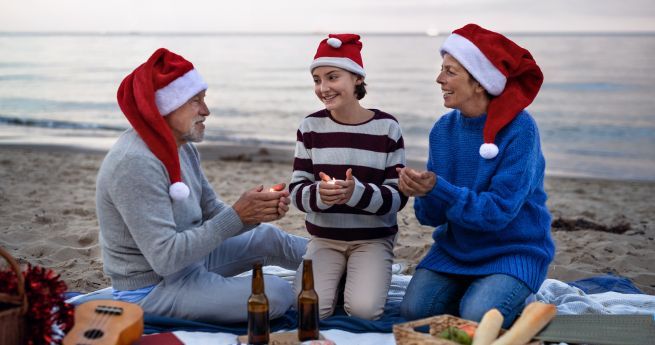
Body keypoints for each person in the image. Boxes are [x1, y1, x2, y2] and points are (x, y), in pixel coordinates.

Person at [96, 48, 308, 324]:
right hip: (153, 288)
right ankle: (322, 288)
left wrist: (257, 213)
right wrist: (238, 215)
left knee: (270, 236)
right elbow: (165, 259)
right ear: (165, 106)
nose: (206, 111)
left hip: (192, 260)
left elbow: (212, 211)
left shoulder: (182, 146)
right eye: (195, 101)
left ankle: (336, 267)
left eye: (203, 99)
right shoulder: (134, 164)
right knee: (276, 293)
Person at [398, 24, 555, 328]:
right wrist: (422, 192)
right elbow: (430, 218)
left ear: (480, 82)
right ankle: (481, 290)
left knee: (475, 317)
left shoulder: (521, 129)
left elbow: (498, 213)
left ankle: (516, 293)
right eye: (441, 70)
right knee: (414, 313)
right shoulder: (443, 130)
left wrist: (439, 188)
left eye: (450, 71)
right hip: (456, 250)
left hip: (512, 250)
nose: (439, 79)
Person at [289, 34, 408, 320]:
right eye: (317, 80)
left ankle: (353, 277)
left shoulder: (387, 128)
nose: (323, 87)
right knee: (310, 311)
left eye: (332, 77)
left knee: (364, 311)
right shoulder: (310, 126)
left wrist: (356, 192)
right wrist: (319, 194)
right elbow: (296, 191)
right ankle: (340, 277)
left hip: (372, 240)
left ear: (356, 78)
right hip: (324, 239)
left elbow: (398, 197)